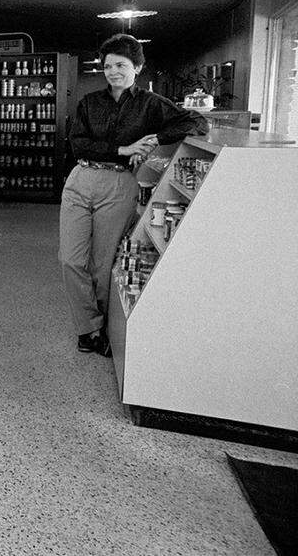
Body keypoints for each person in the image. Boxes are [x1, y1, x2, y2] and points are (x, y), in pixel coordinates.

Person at [59, 33, 207, 356]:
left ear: (137, 67)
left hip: (118, 185)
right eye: (108, 65)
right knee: (70, 259)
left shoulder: (151, 105)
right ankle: (90, 325)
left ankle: (93, 332)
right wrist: (123, 148)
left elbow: (196, 122)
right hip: (80, 180)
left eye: (121, 65)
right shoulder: (89, 103)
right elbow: (77, 144)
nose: (113, 71)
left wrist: (156, 137)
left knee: (101, 264)